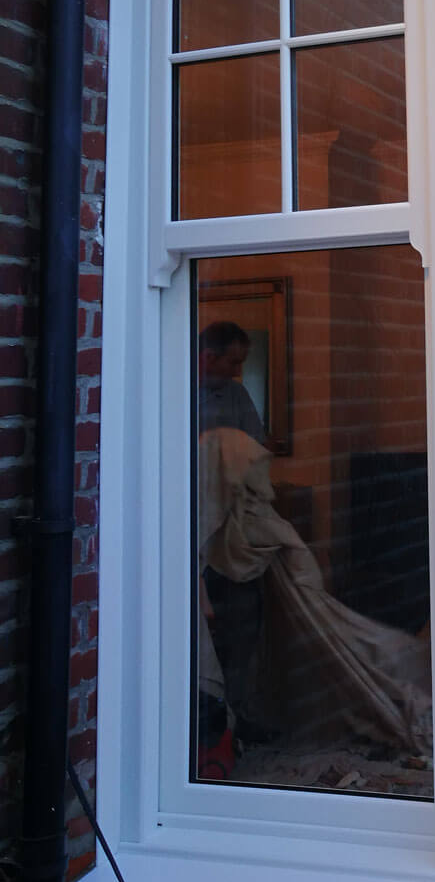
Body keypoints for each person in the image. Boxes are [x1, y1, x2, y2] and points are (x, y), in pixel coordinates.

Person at [196, 320, 271, 765]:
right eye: (234, 362)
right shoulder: (173, 385)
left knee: (241, 624)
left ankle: (237, 718)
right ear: (209, 356)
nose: (240, 371)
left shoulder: (237, 397)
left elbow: (254, 450)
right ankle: (205, 727)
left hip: (232, 533)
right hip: (192, 532)